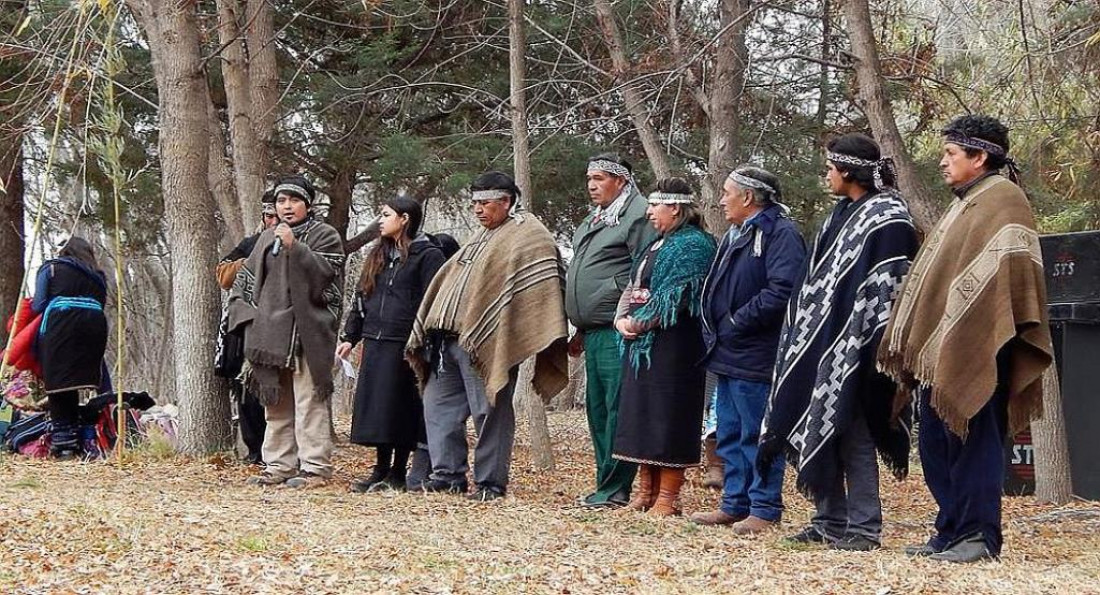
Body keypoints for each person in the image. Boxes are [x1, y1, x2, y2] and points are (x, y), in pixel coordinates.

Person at [879, 115, 1053, 563]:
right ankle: (950, 530)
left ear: (980, 157)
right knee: (938, 445)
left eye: (952, 154)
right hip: (945, 353)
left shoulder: (1003, 200)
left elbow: (1008, 282)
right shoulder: (966, 202)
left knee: (974, 446)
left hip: (983, 348)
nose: (943, 162)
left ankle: (979, 536)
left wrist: (975, 335)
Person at [759, 133, 919, 550]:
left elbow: (891, 287)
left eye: (830, 167)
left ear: (847, 171)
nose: (825, 175)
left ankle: (864, 528)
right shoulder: (839, 214)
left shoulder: (889, 218)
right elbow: (819, 283)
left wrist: (867, 343)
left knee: (857, 434)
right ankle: (828, 519)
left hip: (865, 347)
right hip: (819, 344)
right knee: (820, 426)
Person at [406, 171, 569, 501]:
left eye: (485, 203)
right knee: (439, 410)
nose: (478, 210)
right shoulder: (480, 236)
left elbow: (539, 288)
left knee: (489, 411)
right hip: (446, 342)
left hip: (485, 342)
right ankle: (447, 475)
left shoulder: (528, 235)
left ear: (507, 201)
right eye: (474, 203)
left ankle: (490, 482)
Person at [690, 166, 806, 533]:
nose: (722, 199)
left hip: (758, 352)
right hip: (727, 352)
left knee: (757, 433)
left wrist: (738, 322)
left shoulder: (780, 233)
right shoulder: (736, 233)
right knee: (729, 430)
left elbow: (783, 290)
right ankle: (734, 503)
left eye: (727, 192)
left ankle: (764, 507)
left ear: (748, 197)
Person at [229, 175, 346, 488]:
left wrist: (297, 248)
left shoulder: (325, 235)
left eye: (294, 200)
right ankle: (278, 465)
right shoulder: (267, 239)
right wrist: (248, 317)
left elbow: (327, 277)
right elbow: (244, 283)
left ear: (307, 203)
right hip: (271, 335)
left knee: (310, 402)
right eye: (281, 201)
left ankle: (315, 468)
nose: (287, 207)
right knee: (276, 404)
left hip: (309, 332)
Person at [612, 177, 717, 517]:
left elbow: (676, 295)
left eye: (655, 206)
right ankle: (646, 491)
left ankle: (668, 497)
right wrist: (621, 319)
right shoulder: (656, 243)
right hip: (642, 345)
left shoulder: (694, 245)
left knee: (668, 416)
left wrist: (638, 323)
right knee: (641, 415)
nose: (649, 212)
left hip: (676, 347)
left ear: (675, 207)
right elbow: (634, 284)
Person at [336, 197, 446, 492]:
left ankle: (398, 472)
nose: (380, 220)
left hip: (407, 344)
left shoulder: (428, 255)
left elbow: (432, 303)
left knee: (402, 408)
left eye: (386, 215)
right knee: (378, 408)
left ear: (405, 218)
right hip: (375, 341)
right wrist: (350, 336)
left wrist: (423, 341)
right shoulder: (378, 254)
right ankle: (380, 469)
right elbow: (362, 298)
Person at [566, 153, 656, 508]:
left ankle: (617, 488)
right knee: (598, 410)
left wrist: (632, 317)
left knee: (618, 409)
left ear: (620, 181)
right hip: (593, 330)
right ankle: (605, 483)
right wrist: (578, 325)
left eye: (600, 178)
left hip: (619, 330)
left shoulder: (637, 214)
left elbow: (645, 270)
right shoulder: (596, 217)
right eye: (589, 178)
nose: (591, 185)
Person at [214, 190, 278, 464]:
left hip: (283, 327)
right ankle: (255, 449)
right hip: (247, 327)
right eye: (269, 216)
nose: (274, 221)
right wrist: (253, 262)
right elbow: (223, 274)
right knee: (246, 389)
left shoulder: (304, 243)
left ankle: (282, 452)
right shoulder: (250, 243)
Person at [32, 236, 109, 459]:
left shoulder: (52, 269)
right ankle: (82, 436)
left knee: (58, 382)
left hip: (60, 325)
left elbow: (38, 304)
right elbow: (102, 303)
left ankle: (64, 440)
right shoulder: (98, 277)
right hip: (94, 327)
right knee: (76, 380)